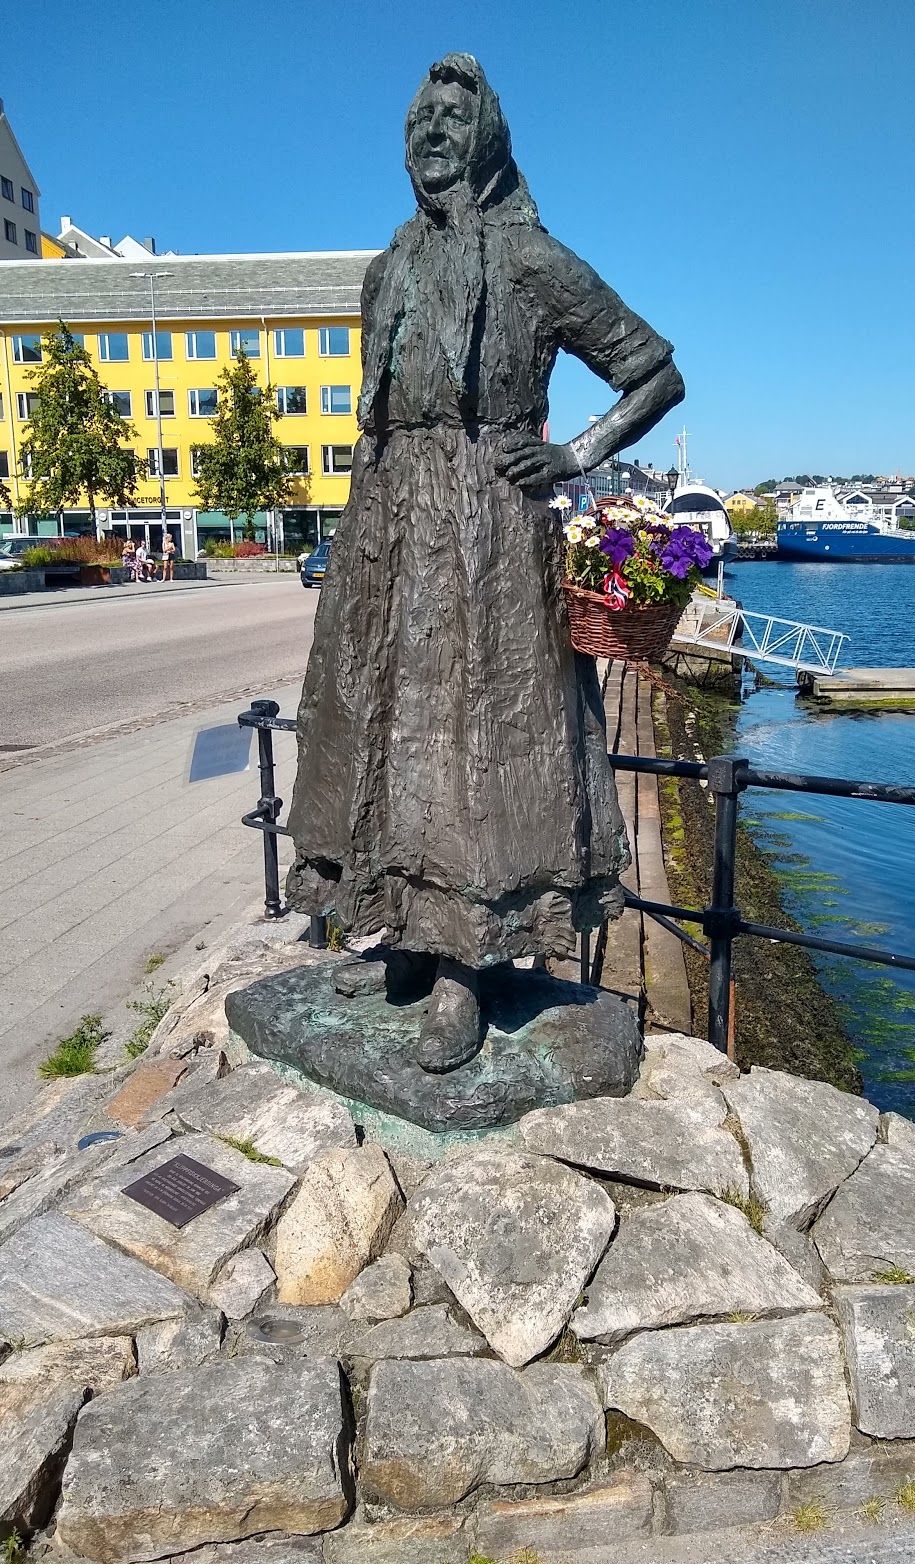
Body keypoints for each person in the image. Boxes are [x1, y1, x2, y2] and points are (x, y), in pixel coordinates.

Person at [285, 54, 683, 1073]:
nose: (433, 132)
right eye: (421, 117)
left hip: (492, 532)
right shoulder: (388, 267)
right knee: (382, 723)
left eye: (455, 119)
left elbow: (653, 371)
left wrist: (570, 456)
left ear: (490, 137)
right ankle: (406, 938)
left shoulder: (531, 260)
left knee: (477, 737)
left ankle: (468, 967)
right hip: (390, 521)